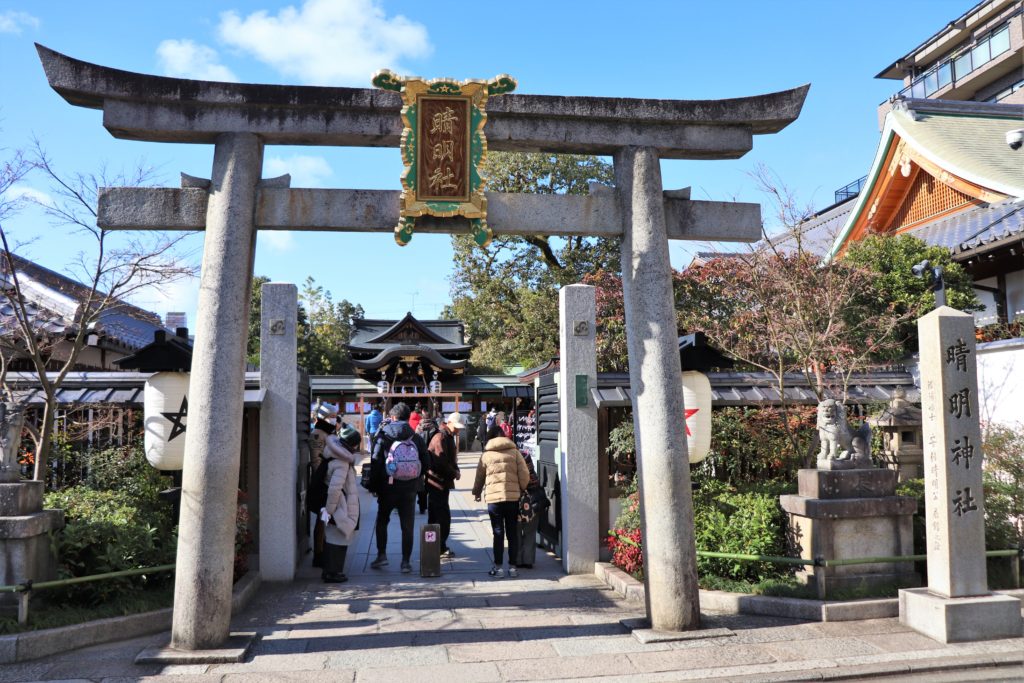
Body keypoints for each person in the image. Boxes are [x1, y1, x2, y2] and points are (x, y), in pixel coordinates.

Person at [367, 402, 430, 573]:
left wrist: (373, 485)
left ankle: (381, 556)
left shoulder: (383, 435)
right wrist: (414, 474)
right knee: (407, 525)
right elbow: (426, 462)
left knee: (382, 520)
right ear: (408, 417)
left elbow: (375, 461)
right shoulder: (415, 437)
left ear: (393, 417)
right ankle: (406, 562)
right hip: (409, 487)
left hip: (387, 486)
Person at [472, 424, 530, 579]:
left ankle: (498, 568)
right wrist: (521, 488)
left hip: (494, 500)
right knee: (512, 533)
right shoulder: (515, 453)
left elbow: (479, 477)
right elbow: (524, 474)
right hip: (512, 499)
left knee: (498, 533)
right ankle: (512, 567)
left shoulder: (486, 455)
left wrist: (476, 492)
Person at [319, 426, 361, 583]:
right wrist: (330, 510)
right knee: (338, 538)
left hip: (337, 505)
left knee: (333, 537)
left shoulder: (334, 454)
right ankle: (333, 572)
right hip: (339, 506)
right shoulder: (342, 462)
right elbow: (334, 489)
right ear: (353, 445)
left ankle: (330, 571)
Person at [426, 412, 464, 556]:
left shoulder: (447, 436)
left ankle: (436, 546)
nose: (458, 430)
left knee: (438, 516)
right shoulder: (441, 437)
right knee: (440, 517)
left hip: (441, 483)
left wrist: (456, 470)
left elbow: (450, 460)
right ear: (449, 423)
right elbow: (441, 462)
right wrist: (455, 473)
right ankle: (436, 546)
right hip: (437, 483)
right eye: (457, 427)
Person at [308, 403, 338, 568]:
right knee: (322, 519)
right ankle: (319, 554)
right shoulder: (318, 435)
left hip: (327, 480)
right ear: (324, 417)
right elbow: (316, 461)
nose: (335, 420)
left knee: (325, 518)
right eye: (332, 417)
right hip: (322, 482)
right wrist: (327, 477)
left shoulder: (326, 432)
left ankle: (323, 550)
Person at [514, 445, 549, 569]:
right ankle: (528, 560)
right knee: (530, 532)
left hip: (514, 501)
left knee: (516, 532)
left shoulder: (507, 461)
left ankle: (517, 560)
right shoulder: (526, 458)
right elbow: (534, 481)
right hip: (531, 502)